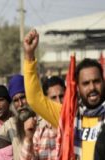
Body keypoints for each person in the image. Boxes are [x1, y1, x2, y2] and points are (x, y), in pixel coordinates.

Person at [23, 29, 105, 160]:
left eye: (96, 81)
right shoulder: (68, 116)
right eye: (86, 83)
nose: (92, 88)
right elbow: (34, 99)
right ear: (77, 87)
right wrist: (29, 55)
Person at [0, 74, 36, 160]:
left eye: (23, 97)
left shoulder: (43, 120)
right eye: (16, 100)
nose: (20, 104)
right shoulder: (11, 124)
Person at [21, 76, 65, 160]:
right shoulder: (39, 129)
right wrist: (28, 138)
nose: (59, 102)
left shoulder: (76, 123)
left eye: (61, 96)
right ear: (46, 101)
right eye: (53, 98)